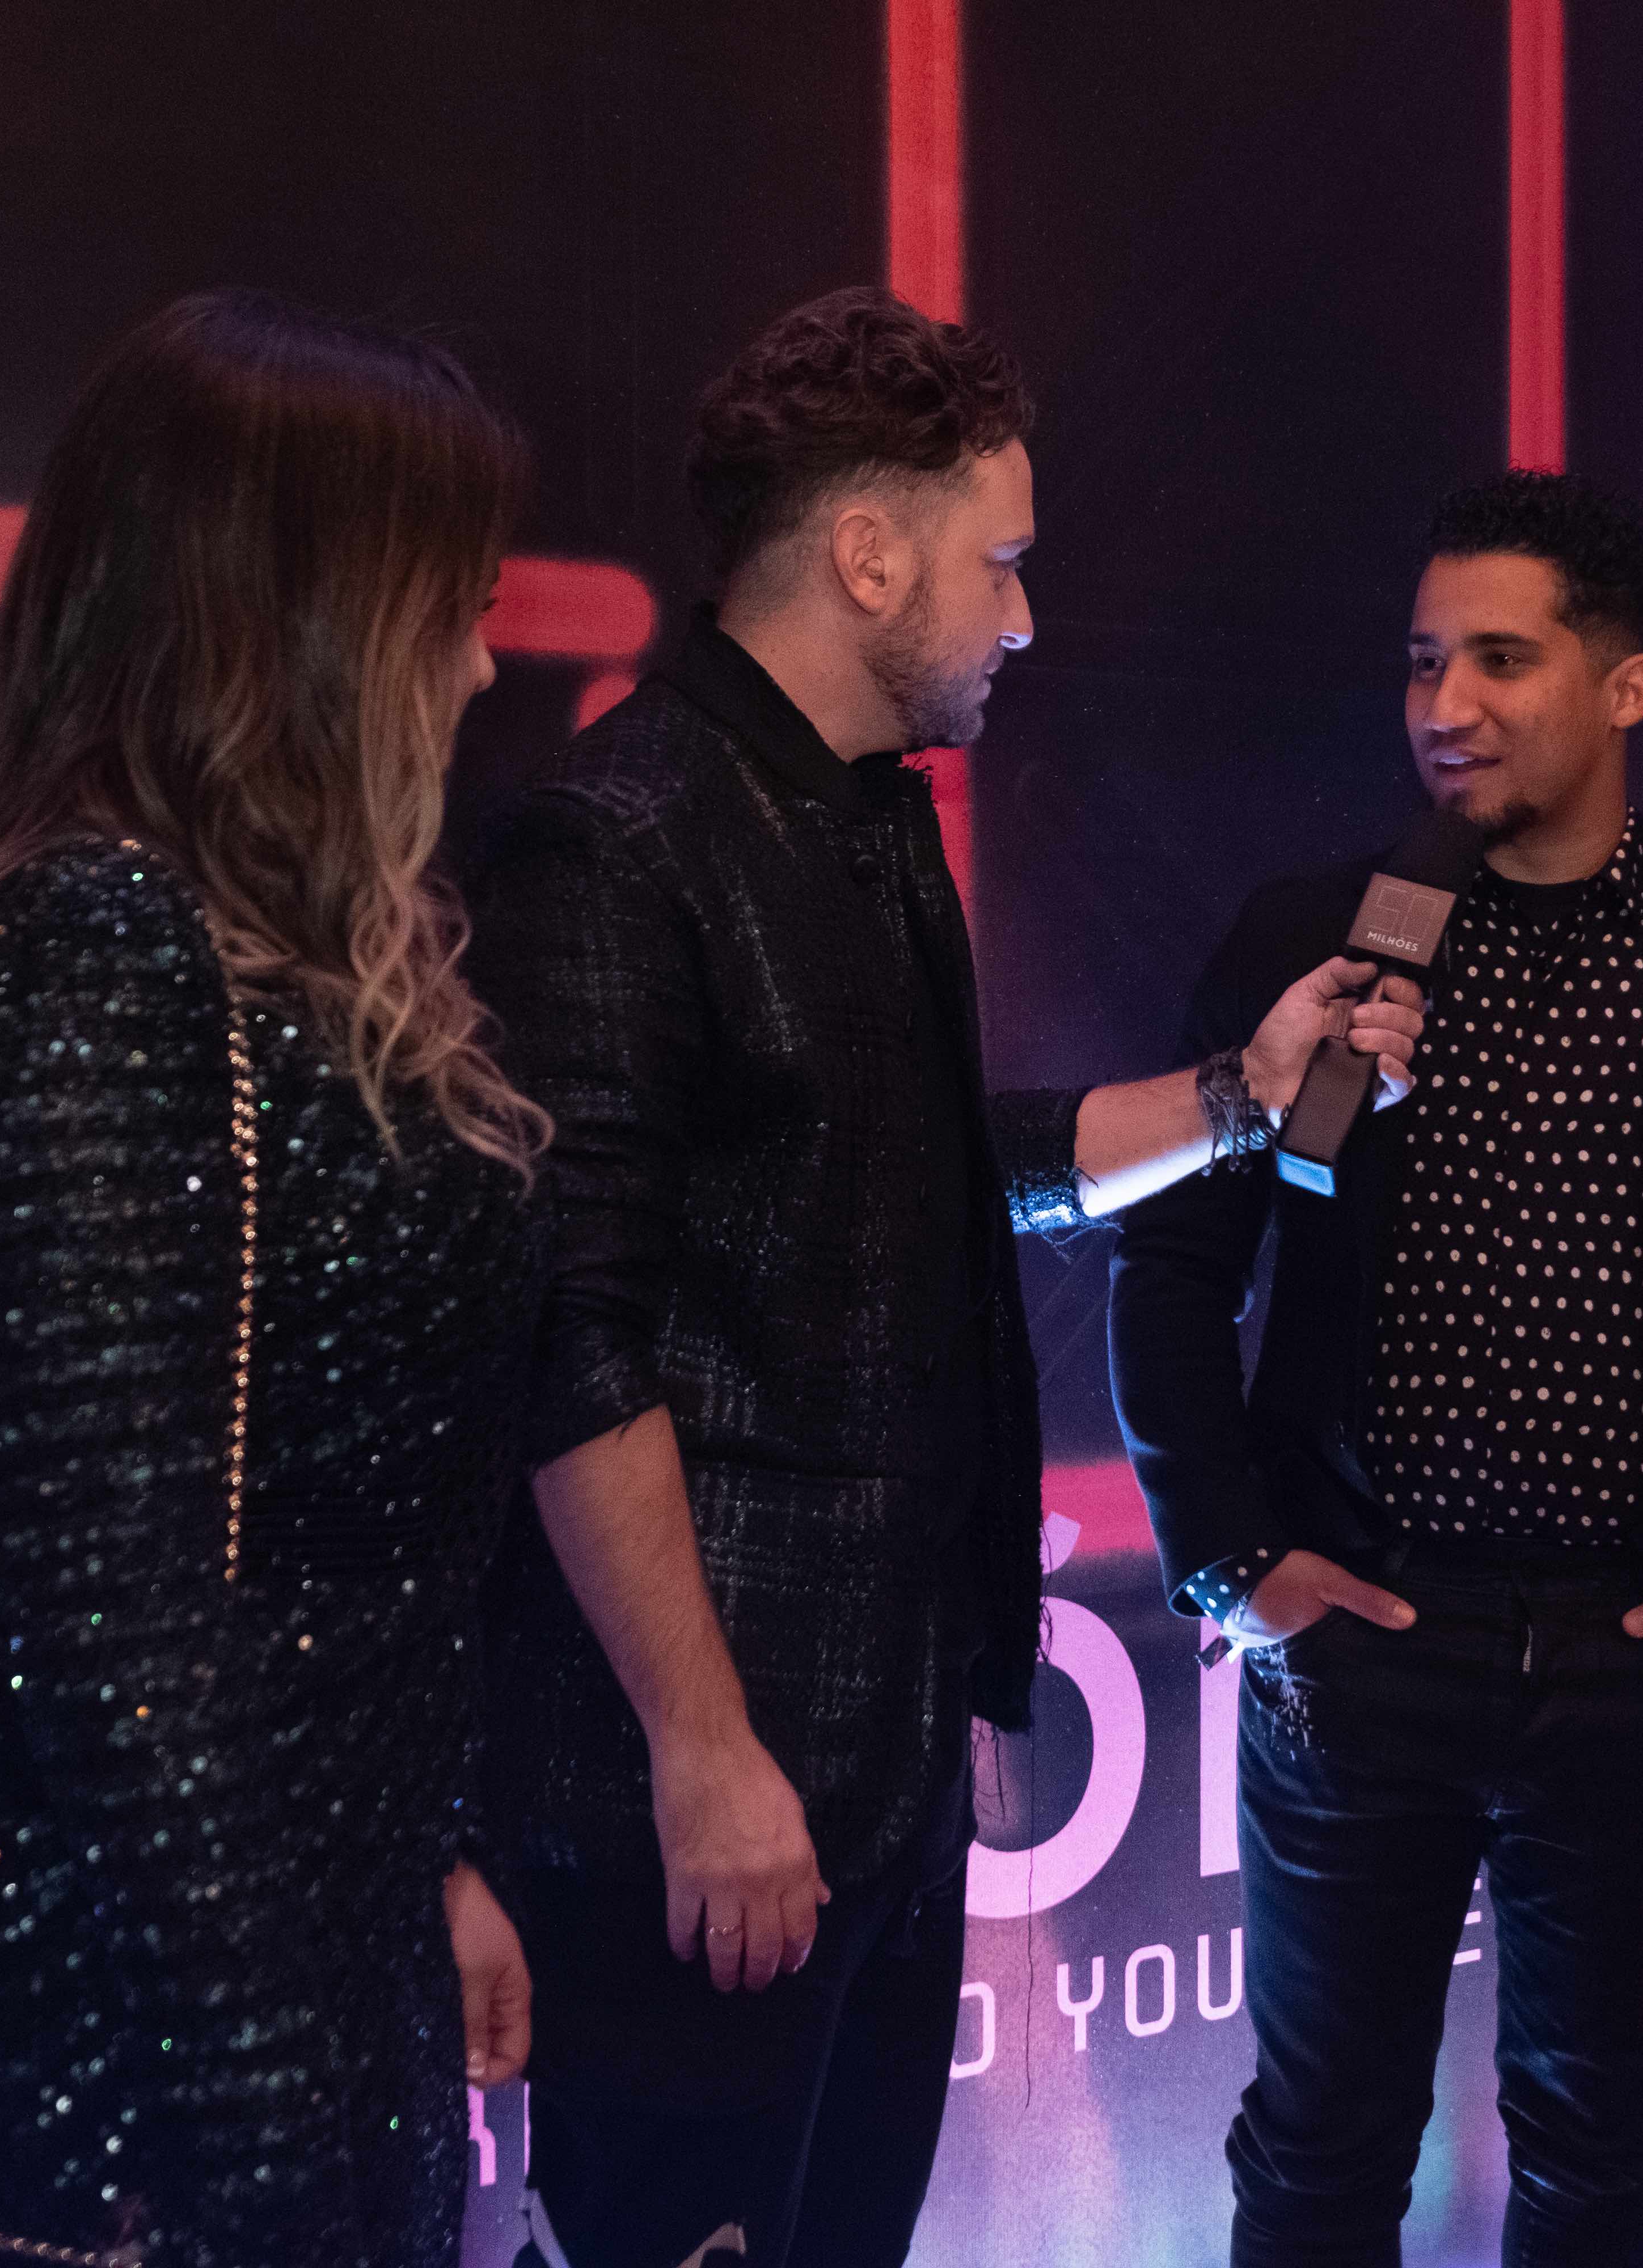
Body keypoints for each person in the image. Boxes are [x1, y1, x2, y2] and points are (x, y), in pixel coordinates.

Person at [464, 285, 1424, 2268]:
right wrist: (703, 1746)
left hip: (883, 1776)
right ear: (867, 554)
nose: (1024, 616)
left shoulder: (865, 822)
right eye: (1001, 562)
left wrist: (1245, 1101)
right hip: (704, 1795)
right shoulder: (616, 842)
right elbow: (573, 1338)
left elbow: (936, 1173)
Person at [1107, 470, 1643, 2267]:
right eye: (1426, 662)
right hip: (1365, 1654)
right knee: (1319, 2147)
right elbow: (1174, 1265)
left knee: (1599, 2137)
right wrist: (1235, 1567)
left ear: (1628, 684)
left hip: (1640, 1660)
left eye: (1501, 659)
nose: (1448, 704)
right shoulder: (1315, 942)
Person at [0, 288, 550, 2268]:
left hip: (286, 1945)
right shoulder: (83, 955)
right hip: (110, 2007)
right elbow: (120, 1638)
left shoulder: (269, 957)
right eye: (448, 604)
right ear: (295, 616)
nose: (482, 662)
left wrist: (421, 1869)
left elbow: (339, 1545)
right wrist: (270, 2122)